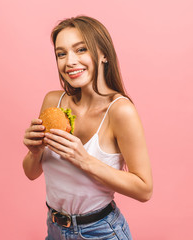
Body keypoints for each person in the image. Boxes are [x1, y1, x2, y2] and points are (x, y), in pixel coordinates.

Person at [22, 16, 153, 240]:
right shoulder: (53, 101)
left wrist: (84, 160)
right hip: (54, 228)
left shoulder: (120, 111)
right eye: (61, 54)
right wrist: (35, 152)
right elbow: (31, 172)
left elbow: (144, 189)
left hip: (100, 231)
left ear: (103, 54)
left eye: (81, 49)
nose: (70, 61)